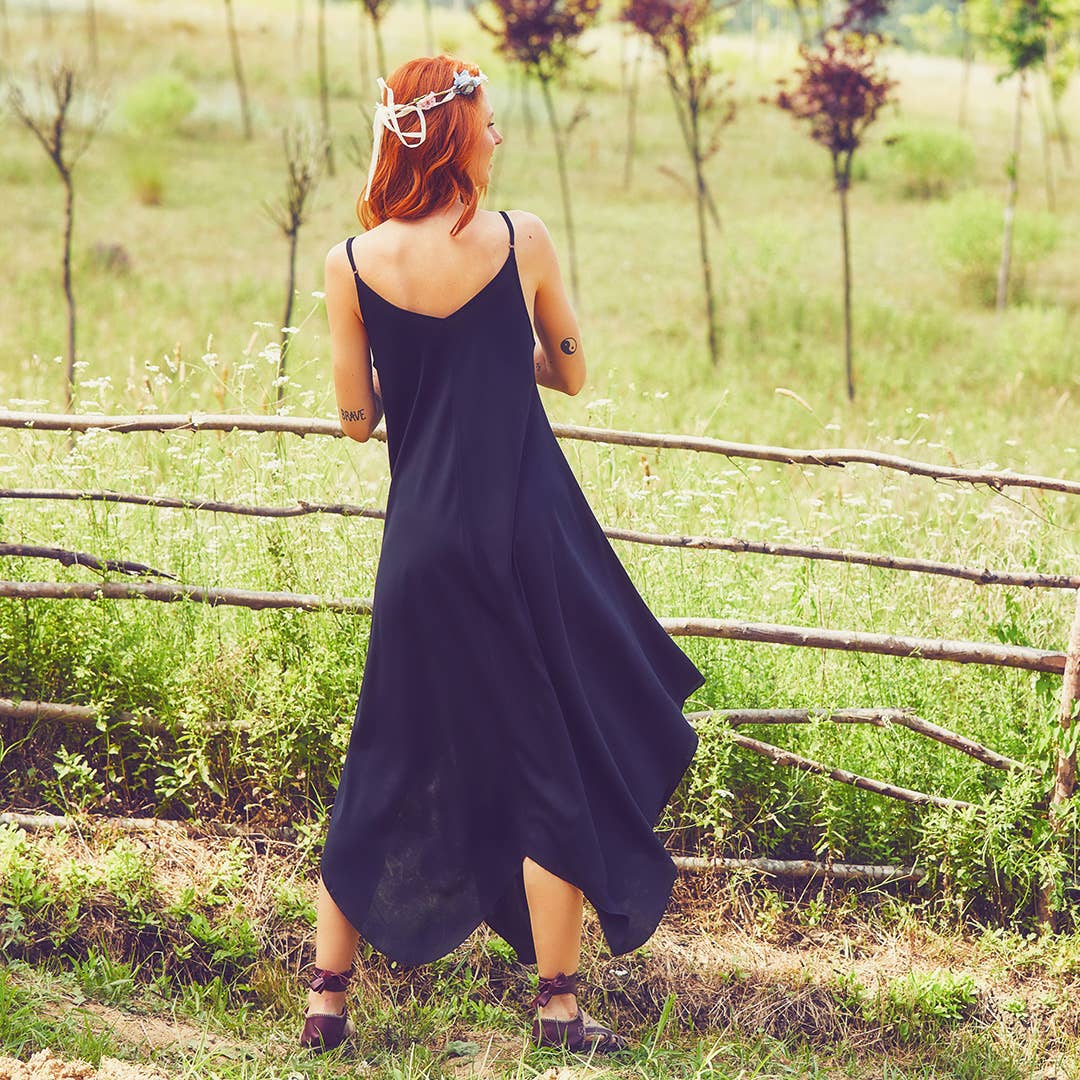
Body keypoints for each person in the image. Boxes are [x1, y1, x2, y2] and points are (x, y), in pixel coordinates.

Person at [302, 54, 706, 1056]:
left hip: (419, 548)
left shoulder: (348, 265)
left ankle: (325, 1002)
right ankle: (560, 1009)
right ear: (452, 136)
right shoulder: (522, 238)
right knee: (547, 765)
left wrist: (426, 376)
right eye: (489, 124)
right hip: (519, 540)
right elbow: (569, 372)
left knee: (384, 758)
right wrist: (498, 360)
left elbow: (357, 420)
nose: (497, 139)